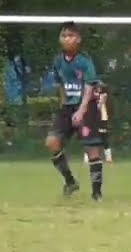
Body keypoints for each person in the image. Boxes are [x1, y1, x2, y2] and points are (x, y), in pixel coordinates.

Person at [45, 22, 105, 200]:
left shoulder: (84, 61)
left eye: (70, 36)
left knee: (92, 149)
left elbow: (89, 87)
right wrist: (64, 105)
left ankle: (97, 192)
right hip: (68, 107)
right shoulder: (58, 60)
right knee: (52, 142)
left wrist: (81, 110)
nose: (66, 39)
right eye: (63, 36)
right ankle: (70, 181)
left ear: (78, 39)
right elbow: (60, 85)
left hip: (87, 107)